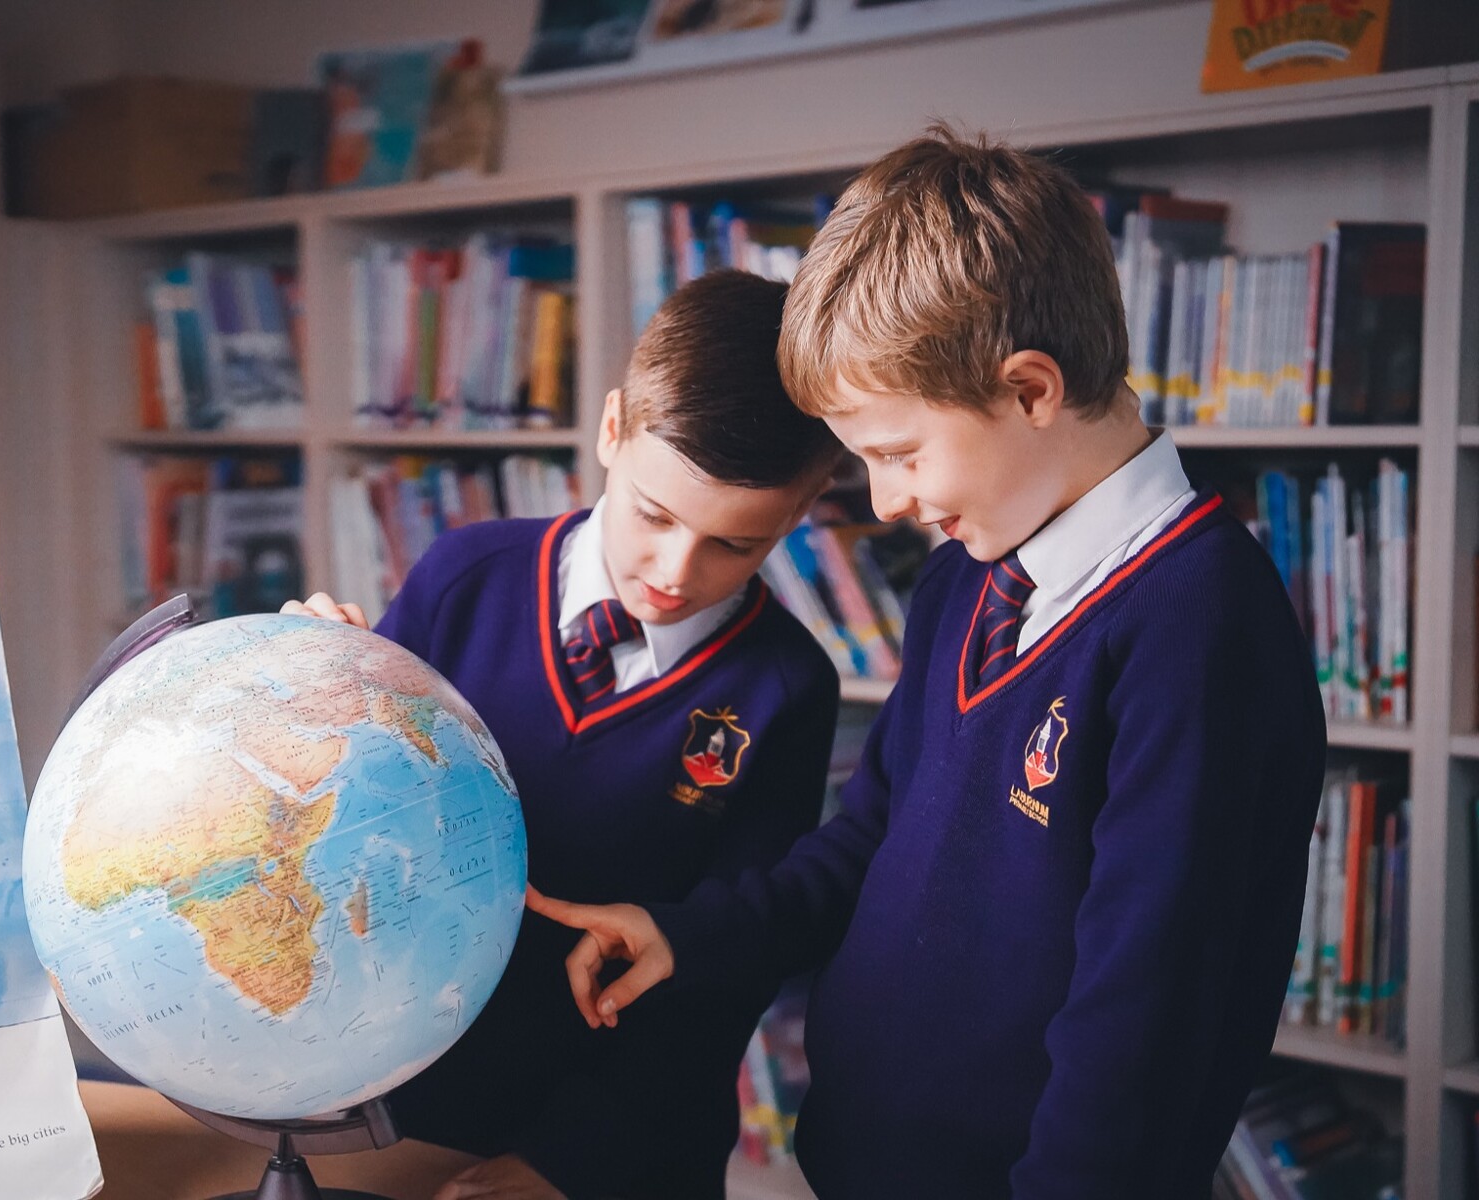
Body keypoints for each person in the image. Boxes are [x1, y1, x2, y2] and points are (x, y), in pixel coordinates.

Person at [529, 125, 1328, 1200]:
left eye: (897, 453)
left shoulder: (1196, 629)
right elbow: (869, 838)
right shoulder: (966, 575)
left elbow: (1147, 1025)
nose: (884, 502)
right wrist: (690, 934)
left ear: (1031, 390)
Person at [288, 269, 849, 1200]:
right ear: (611, 428)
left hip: (620, 1144)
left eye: (736, 545)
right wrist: (306, 693)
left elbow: (725, 964)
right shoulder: (466, 576)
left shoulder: (786, 687)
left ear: (801, 510)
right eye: (655, 515)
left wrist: (571, 1161)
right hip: (403, 1101)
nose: (675, 571)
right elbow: (347, 825)